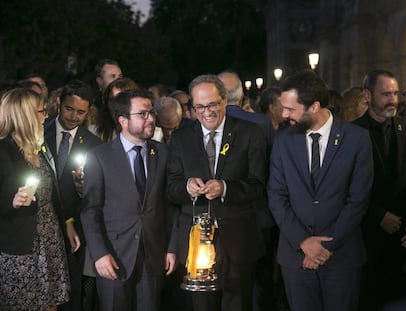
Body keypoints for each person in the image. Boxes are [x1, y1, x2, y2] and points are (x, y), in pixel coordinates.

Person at [267, 70, 374, 311]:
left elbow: (358, 200)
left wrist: (325, 248)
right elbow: (276, 195)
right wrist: (303, 241)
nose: (284, 115)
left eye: (291, 109)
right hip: (295, 259)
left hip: (342, 258)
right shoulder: (283, 140)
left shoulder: (357, 139)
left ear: (314, 106)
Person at [167, 74, 267, 310]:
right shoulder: (181, 138)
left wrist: (225, 188)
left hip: (238, 241)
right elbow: (171, 189)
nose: (207, 112)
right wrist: (186, 186)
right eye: (200, 106)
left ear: (224, 101)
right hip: (195, 245)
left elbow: (258, 185)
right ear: (192, 108)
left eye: (212, 104)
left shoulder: (250, 133)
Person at [81, 89, 177, 310]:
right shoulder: (100, 157)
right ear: (123, 120)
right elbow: (90, 210)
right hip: (114, 257)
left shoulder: (163, 153)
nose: (151, 119)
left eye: (151, 112)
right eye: (142, 114)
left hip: (154, 256)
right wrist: (100, 254)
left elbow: (171, 206)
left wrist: (172, 248)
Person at [0, 88, 72, 310]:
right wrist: (11, 202)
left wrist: (68, 223)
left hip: (50, 238)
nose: (46, 116)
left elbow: (53, 193)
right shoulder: (3, 150)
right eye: (41, 111)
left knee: (51, 302)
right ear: (25, 116)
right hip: (20, 243)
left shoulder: (40, 147)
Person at [217, 70, 278, 310]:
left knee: (226, 282)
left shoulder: (208, 123)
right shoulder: (263, 123)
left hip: (221, 214)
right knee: (259, 280)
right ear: (242, 95)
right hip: (260, 214)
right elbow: (273, 170)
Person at [353, 69, 406, 310]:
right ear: (367, 95)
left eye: (396, 93)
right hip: (366, 240)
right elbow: (344, 187)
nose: (394, 100)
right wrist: (378, 216)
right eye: (386, 94)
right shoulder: (350, 133)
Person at [44, 79, 101, 311]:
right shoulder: (40, 132)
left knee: (72, 288)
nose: (74, 117)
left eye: (81, 112)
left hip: (74, 227)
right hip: (43, 222)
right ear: (59, 103)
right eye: (69, 109)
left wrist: (83, 187)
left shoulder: (93, 144)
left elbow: (96, 192)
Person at [95, 77, 140, 142]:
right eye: (111, 100)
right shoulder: (96, 132)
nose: (115, 105)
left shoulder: (153, 133)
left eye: (120, 100)